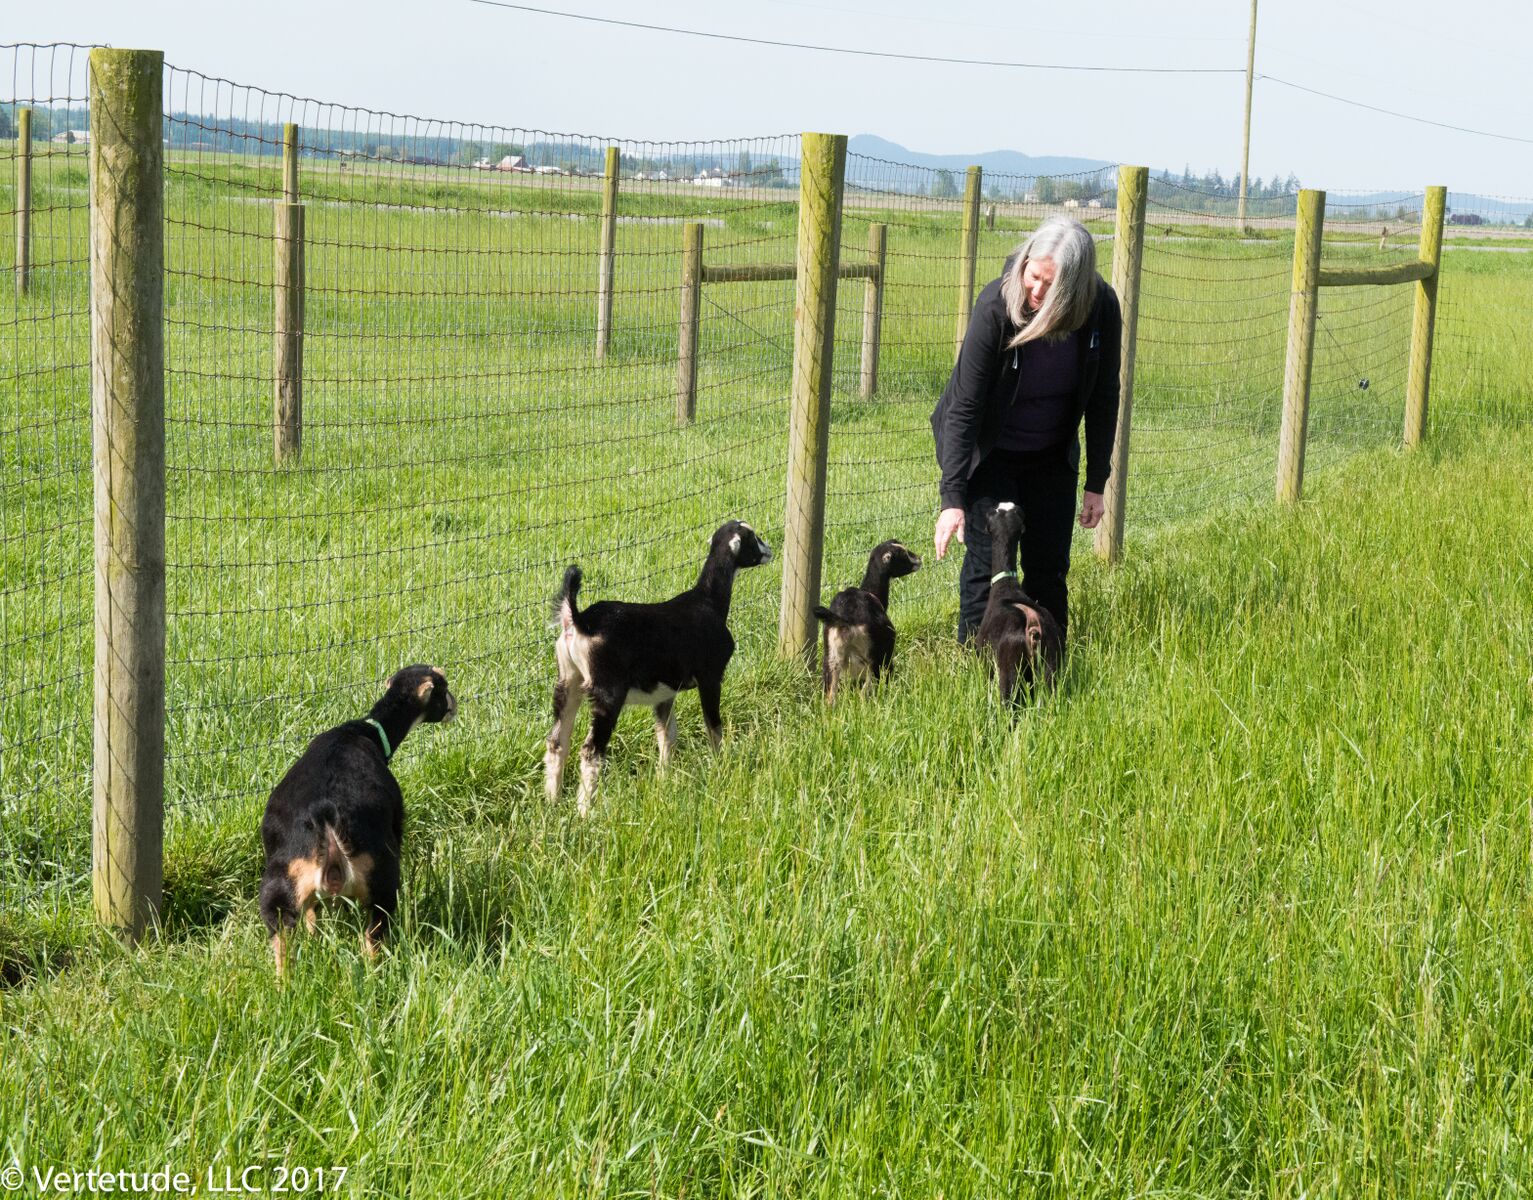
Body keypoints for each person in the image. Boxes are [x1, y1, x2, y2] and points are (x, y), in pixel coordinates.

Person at [930, 215, 1120, 644]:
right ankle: (975, 663)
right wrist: (953, 498)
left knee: (1048, 568)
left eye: (1051, 286)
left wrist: (1096, 483)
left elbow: (1105, 395)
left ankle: (1051, 663)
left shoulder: (1101, 308)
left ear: (1075, 288)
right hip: (991, 453)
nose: (1036, 291)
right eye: (1033, 276)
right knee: (988, 569)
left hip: (1051, 455)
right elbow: (964, 406)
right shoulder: (996, 306)